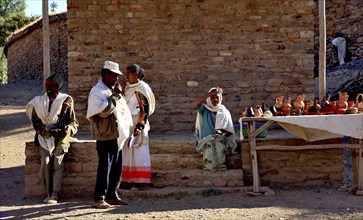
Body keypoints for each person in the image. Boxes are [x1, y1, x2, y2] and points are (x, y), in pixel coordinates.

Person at [26, 72, 79, 204]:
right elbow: (35, 122)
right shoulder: (38, 102)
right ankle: (48, 193)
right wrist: (43, 131)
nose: (49, 89)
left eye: (53, 86)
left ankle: (55, 194)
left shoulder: (66, 101)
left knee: (58, 161)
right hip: (44, 138)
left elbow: (74, 123)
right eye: (47, 86)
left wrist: (69, 129)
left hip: (61, 137)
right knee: (45, 161)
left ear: (59, 86)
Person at [87, 61, 133, 209]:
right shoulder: (97, 91)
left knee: (116, 167)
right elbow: (102, 112)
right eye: (114, 76)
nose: (116, 79)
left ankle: (112, 195)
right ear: (106, 74)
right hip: (105, 134)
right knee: (104, 167)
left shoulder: (111, 90)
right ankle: (99, 198)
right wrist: (114, 95)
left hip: (116, 135)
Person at [120, 64, 155, 190]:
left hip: (138, 123)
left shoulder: (142, 88)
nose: (127, 76)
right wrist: (122, 91)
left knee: (139, 152)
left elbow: (145, 109)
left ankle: (142, 181)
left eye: (129, 73)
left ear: (136, 74)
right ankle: (127, 180)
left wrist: (139, 126)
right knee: (127, 152)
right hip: (127, 124)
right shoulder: (127, 88)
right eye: (126, 73)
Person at [194, 87, 237, 171]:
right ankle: (209, 165)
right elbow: (197, 104)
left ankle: (220, 165)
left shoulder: (224, 112)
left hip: (222, 139)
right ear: (209, 99)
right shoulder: (205, 110)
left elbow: (229, 131)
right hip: (207, 139)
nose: (215, 99)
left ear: (220, 98)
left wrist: (222, 133)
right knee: (209, 142)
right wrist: (210, 93)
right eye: (212, 97)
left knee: (218, 141)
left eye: (217, 97)